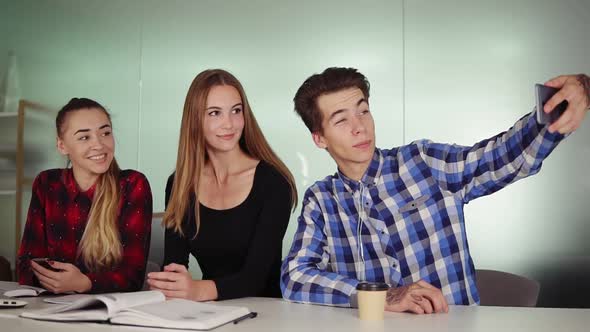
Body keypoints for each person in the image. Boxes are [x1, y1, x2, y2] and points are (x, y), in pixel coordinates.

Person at [281, 68, 590, 313]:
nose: (359, 127)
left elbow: (501, 157)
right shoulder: (321, 200)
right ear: (319, 138)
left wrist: (567, 99)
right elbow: (295, 277)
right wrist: (380, 297)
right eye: (341, 120)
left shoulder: (423, 162)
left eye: (363, 111)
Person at [147, 69, 297, 301]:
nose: (228, 124)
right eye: (215, 113)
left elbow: (255, 278)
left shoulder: (274, 182)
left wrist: (196, 290)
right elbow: (173, 266)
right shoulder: (180, 183)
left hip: (266, 313)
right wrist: (168, 286)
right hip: (207, 312)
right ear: (195, 119)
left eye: (236, 111)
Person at [17, 97, 153, 293]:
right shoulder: (47, 184)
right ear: (62, 146)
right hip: (50, 307)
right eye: (84, 137)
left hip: (108, 314)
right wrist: (57, 282)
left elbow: (132, 277)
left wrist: (84, 283)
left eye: (105, 133)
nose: (99, 145)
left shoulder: (132, 185)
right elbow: (27, 266)